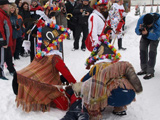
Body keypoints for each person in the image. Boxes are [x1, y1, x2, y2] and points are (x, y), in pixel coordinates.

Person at [12, 20, 77, 112]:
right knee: (64, 105)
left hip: (25, 78)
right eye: (58, 41)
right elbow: (66, 73)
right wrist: (75, 84)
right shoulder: (55, 57)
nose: (59, 43)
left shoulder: (40, 54)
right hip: (43, 85)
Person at [72, 36, 143, 119]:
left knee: (92, 87)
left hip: (114, 97)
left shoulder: (97, 67)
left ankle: (96, 112)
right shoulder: (117, 66)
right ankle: (120, 108)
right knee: (120, 84)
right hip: (130, 95)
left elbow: (84, 82)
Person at [135, 13, 160, 79]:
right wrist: (140, 30)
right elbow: (137, 31)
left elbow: (156, 36)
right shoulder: (141, 19)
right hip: (145, 35)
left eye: (149, 25)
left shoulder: (158, 21)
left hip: (154, 36)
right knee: (142, 50)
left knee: (152, 52)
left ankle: (150, 71)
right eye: (147, 25)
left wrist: (147, 33)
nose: (148, 26)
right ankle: (144, 69)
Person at [0, 0, 16, 80]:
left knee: (9, 56)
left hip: (7, 41)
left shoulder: (5, 14)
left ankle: (11, 70)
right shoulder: (0, 14)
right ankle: (0, 73)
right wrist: (2, 41)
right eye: (7, 5)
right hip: (3, 41)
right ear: (2, 6)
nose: (9, 7)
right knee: (2, 58)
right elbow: (0, 29)